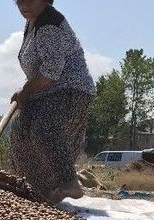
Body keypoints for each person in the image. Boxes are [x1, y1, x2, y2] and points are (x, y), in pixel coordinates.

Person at [9, 0, 95, 204]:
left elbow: (51, 71)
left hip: (69, 89)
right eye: (19, 1)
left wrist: (26, 90)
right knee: (20, 131)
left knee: (43, 126)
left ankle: (69, 182)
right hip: (44, 92)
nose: (24, 6)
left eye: (30, 0)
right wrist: (25, 91)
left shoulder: (49, 24)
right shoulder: (32, 21)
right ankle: (36, 190)